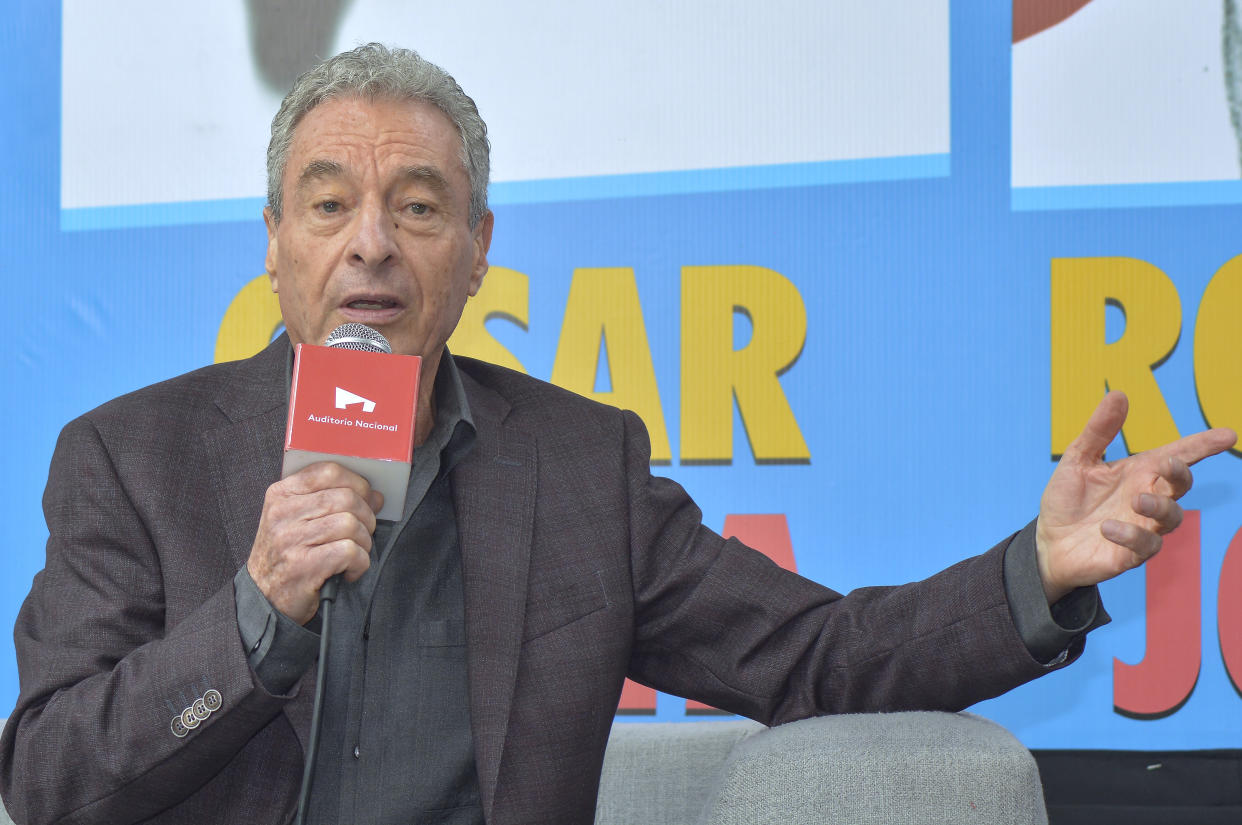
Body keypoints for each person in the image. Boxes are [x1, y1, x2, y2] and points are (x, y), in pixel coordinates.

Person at [0, 43, 1234, 825]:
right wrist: (260, 608)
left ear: (477, 249)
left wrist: (1043, 565)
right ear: (275, 243)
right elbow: (49, 779)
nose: (371, 242)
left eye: (417, 206)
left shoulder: (576, 467)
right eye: (331, 204)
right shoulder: (131, 457)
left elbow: (818, 658)